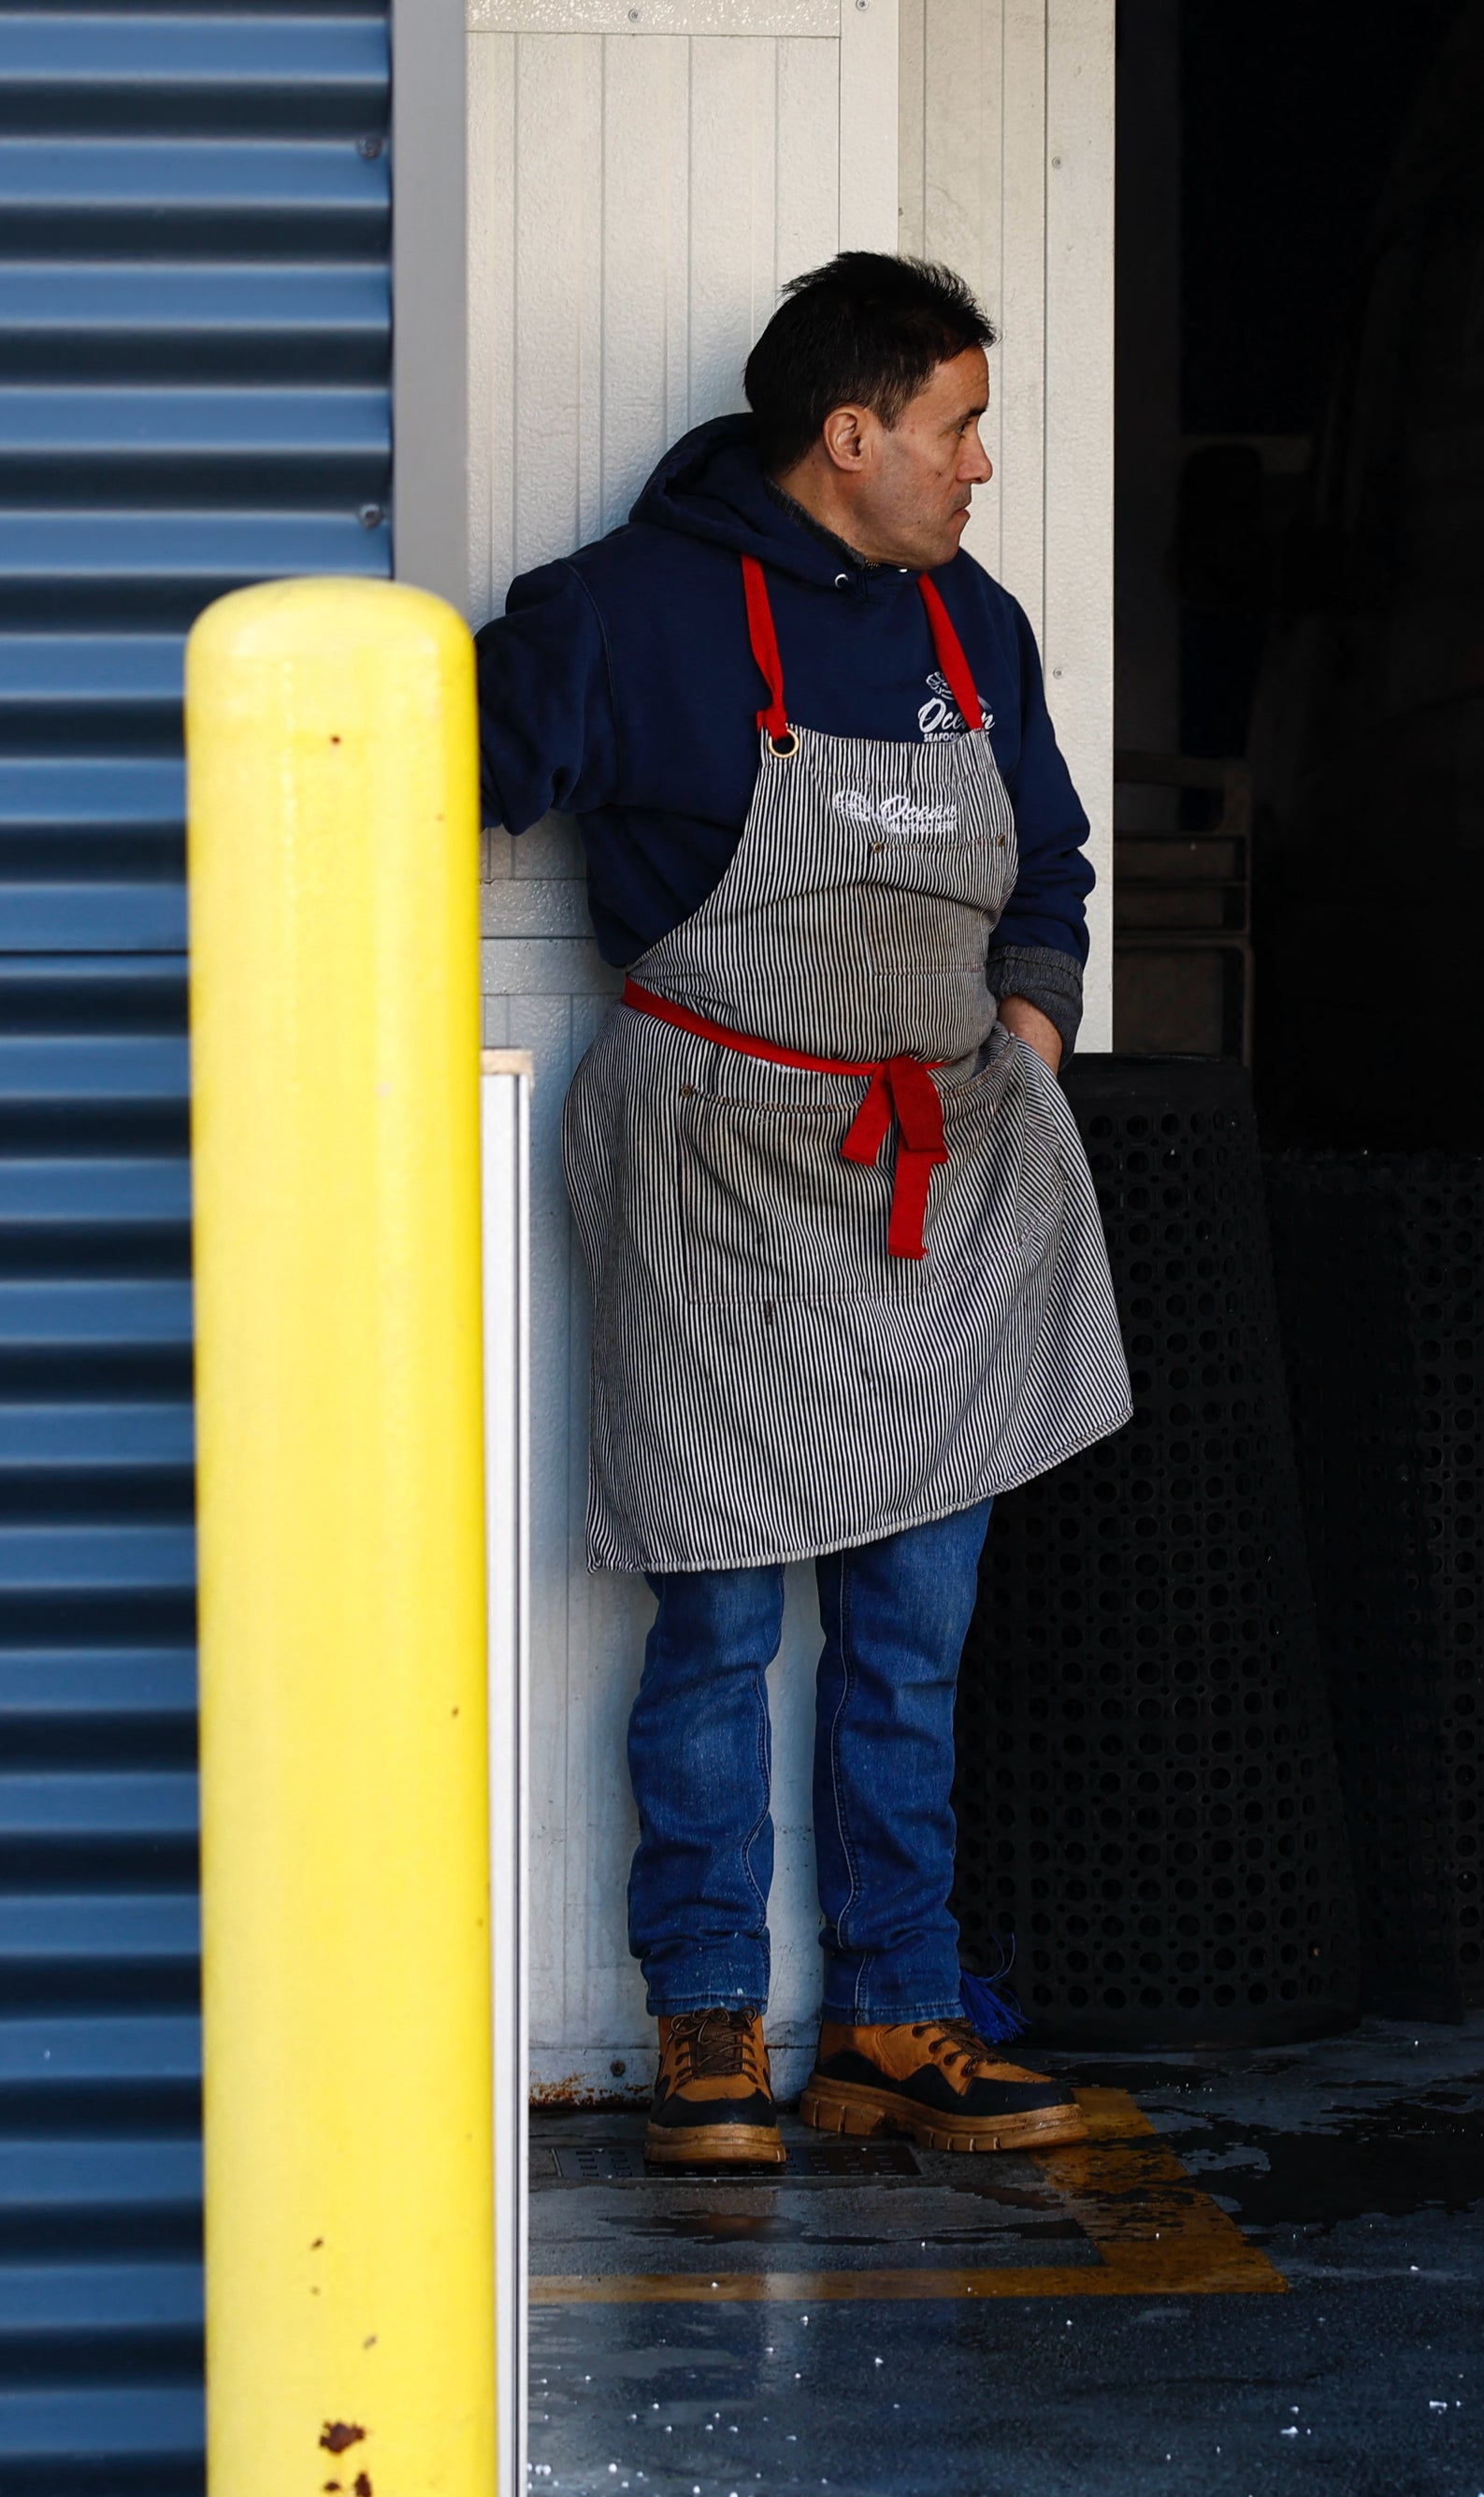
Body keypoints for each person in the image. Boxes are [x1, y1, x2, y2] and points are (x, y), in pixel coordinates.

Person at [476, 253, 1132, 2167]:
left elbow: (1053, 855)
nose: (980, 466)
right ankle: (702, 2030)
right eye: (957, 426)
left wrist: (1027, 1014)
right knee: (714, 1626)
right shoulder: (620, 614)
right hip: (721, 1174)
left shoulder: (969, 627)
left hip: (935, 1165)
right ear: (849, 438)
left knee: (913, 1633)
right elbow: (414, 784)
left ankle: (894, 2021)